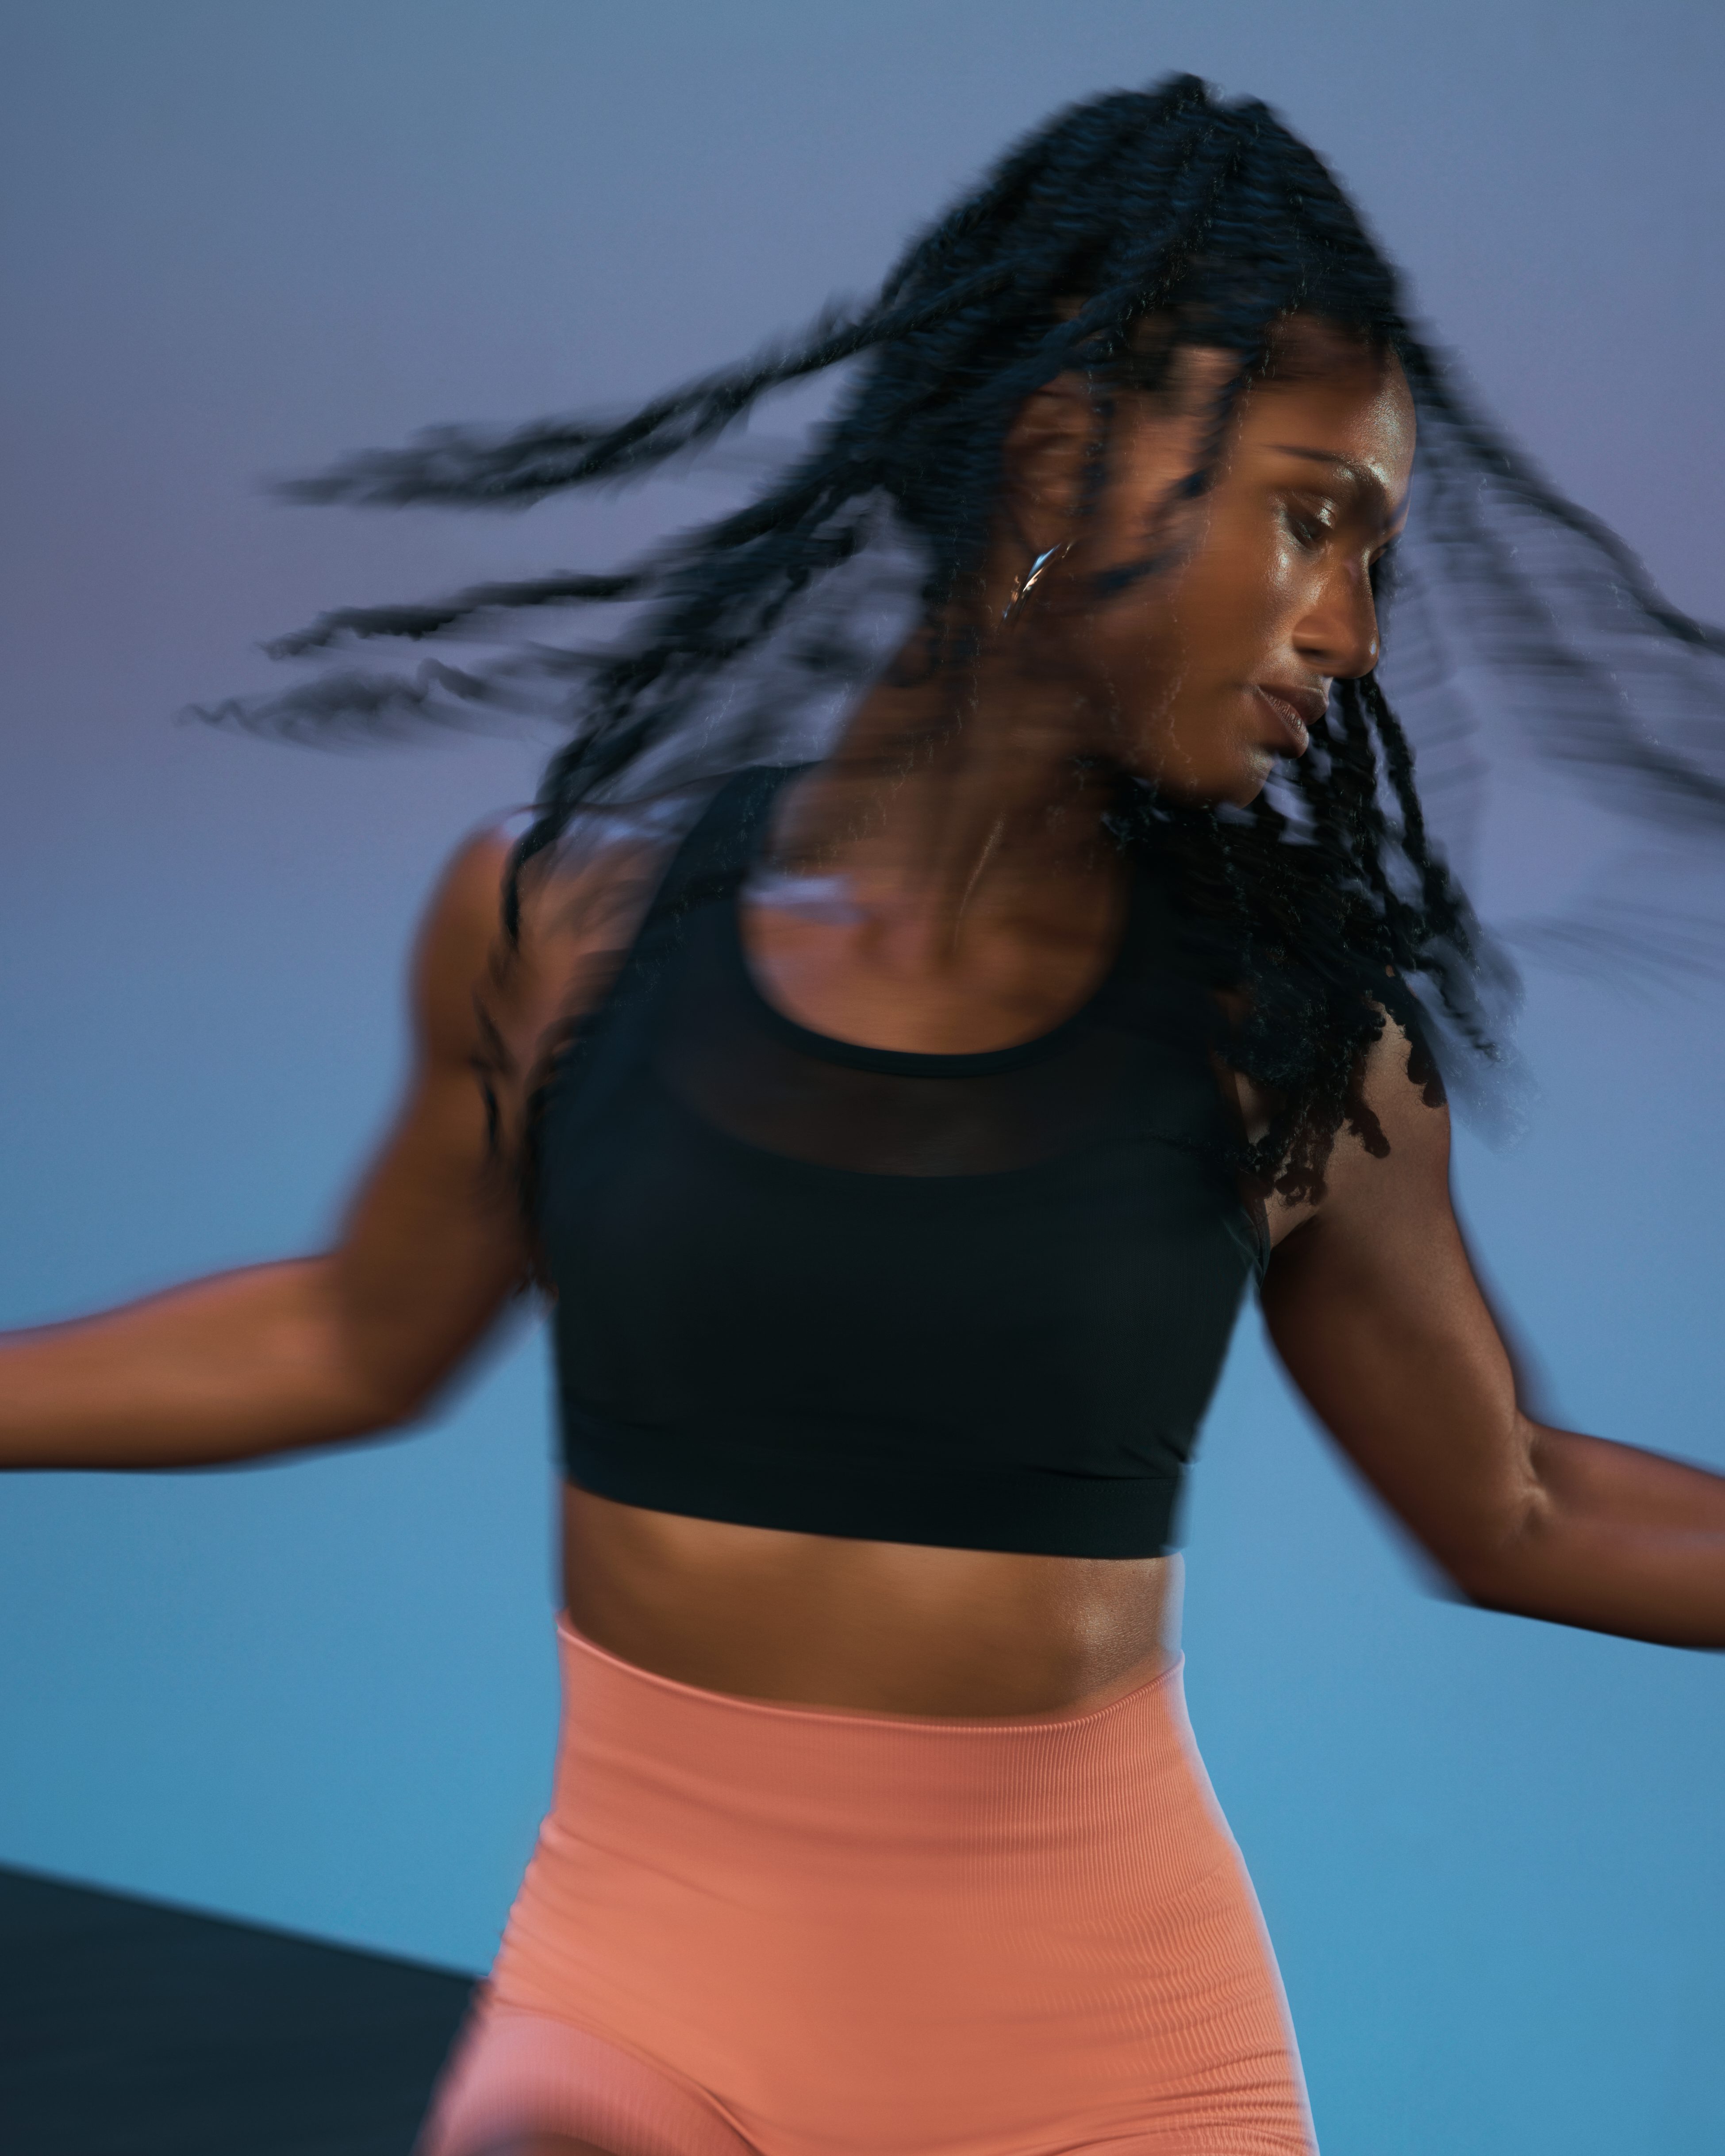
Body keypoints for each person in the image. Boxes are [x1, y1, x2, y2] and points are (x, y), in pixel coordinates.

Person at [6, 75, 1725, 2156]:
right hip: (641, 2009)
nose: (1352, 635)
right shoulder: (570, 924)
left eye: (1376, 553)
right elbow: (351, 1332)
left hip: (1107, 2052)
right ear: (1061, 461)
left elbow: (1515, 1503)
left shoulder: (1285, 1039)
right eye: (1310, 518)